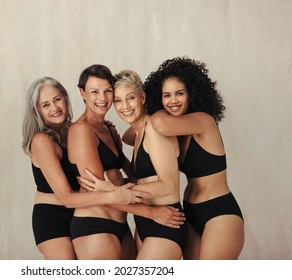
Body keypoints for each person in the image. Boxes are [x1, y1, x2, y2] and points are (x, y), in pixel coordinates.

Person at [21, 77, 150, 260]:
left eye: (57, 100)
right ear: (37, 111)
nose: (54, 108)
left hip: (82, 211)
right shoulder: (42, 141)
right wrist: (113, 194)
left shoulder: (78, 130)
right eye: (45, 105)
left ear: (66, 98)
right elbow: (66, 198)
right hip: (54, 217)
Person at [143, 56, 245, 259]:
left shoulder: (204, 121)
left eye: (179, 93)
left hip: (219, 212)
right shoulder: (177, 131)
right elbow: (131, 136)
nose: (172, 101)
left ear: (192, 93)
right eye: (166, 95)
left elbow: (158, 124)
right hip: (189, 212)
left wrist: (150, 113)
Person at [80, 69, 187, 259]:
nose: (125, 106)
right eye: (118, 101)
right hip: (144, 223)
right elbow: (145, 177)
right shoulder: (137, 134)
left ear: (142, 97)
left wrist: (115, 192)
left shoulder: (154, 128)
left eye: (130, 98)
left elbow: (168, 184)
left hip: (166, 221)